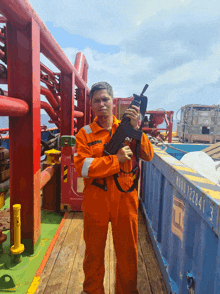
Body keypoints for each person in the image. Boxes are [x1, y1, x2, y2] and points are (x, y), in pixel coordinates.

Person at [74, 82, 154, 294]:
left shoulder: (129, 127)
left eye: (105, 99)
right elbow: (82, 167)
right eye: (97, 101)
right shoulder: (85, 134)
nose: (102, 104)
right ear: (91, 106)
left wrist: (138, 129)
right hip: (95, 200)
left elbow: (148, 155)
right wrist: (115, 161)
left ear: (113, 101)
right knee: (93, 254)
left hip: (125, 199)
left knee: (128, 254)